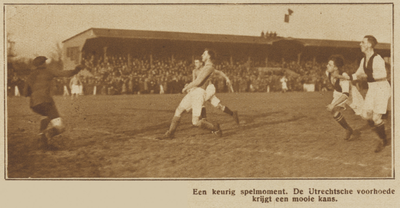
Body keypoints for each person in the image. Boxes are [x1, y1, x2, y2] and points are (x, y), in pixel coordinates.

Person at [156, 49, 222, 140]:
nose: (202, 55)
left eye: (204, 54)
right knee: (179, 110)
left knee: (195, 122)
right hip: (194, 91)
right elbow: (196, 81)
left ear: (209, 56)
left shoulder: (209, 67)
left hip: (199, 93)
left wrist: (186, 87)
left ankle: (215, 128)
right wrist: (190, 86)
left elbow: (198, 82)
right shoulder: (204, 67)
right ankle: (170, 133)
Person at [23, 56, 85, 149]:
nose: (46, 63)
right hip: (46, 102)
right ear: (43, 64)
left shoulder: (30, 76)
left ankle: (41, 135)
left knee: (45, 115)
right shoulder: (48, 71)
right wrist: (77, 69)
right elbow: (66, 73)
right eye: (45, 62)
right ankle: (45, 136)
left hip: (34, 105)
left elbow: (25, 93)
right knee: (60, 127)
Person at [349, 35, 391, 152]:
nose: (360, 44)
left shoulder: (378, 59)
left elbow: (383, 76)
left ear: (369, 45)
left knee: (376, 117)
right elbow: (357, 74)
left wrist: (365, 77)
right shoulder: (363, 60)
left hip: (381, 88)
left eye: (363, 42)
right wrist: (345, 77)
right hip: (372, 89)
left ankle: (383, 140)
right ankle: (382, 118)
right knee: (365, 115)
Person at [192, 57, 239, 125]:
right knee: (218, 106)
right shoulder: (194, 71)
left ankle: (205, 121)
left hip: (209, 89)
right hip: (203, 90)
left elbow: (220, 72)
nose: (195, 64)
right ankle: (233, 113)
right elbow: (194, 81)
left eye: (196, 62)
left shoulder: (207, 69)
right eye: (195, 62)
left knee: (200, 102)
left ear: (201, 63)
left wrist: (226, 78)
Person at [325, 55, 361, 141]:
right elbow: (336, 75)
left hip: (351, 94)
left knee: (365, 114)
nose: (327, 66)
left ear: (336, 67)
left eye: (329, 65)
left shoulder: (344, 75)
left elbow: (345, 94)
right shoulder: (328, 72)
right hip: (338, 92)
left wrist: (333, 104)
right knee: (333, 110)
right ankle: (348, 129)